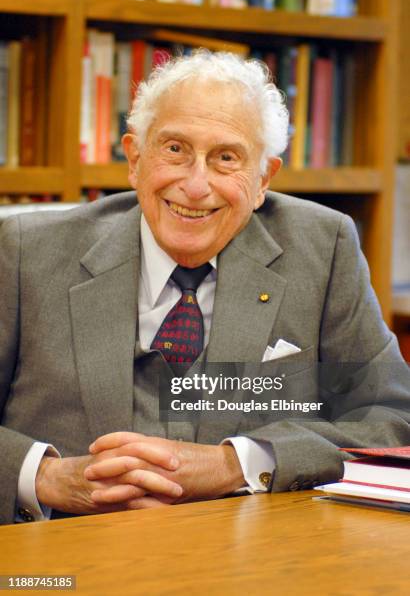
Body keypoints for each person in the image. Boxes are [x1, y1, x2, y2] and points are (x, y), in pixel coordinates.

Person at [0, 51, 409, 526]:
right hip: (60, 554)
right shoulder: (27, 251)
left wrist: (238, 463)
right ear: (134, 159)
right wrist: (46, 477)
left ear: (262, 180)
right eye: (174, 149)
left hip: (244, 559)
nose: (196, 186)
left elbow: (391, 418)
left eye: (226, 158)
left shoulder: (322, 248)